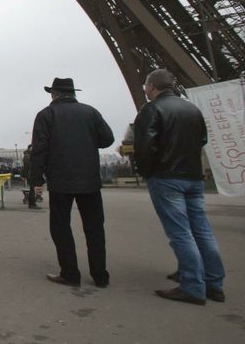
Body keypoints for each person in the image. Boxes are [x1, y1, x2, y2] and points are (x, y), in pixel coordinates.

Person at [134, 68, 226, 305]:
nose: (145, 90)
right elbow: (202, 140)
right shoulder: (192, 109)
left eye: (146, 86)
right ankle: (213, 283)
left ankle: (193, 286)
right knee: (202, 230)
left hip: (166, 177)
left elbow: (144, 146)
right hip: (194, 178)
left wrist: (147, 171)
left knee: (180, 233)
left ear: (152, 87)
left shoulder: (151, 109)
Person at [30, 77, 114, 288]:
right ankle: (100, 275)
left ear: (54, 94)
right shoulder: (90, 112)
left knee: (61, 227)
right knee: (95, 228)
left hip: (60, 181)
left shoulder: (46, 115)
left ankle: (70, 273)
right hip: (90, 180)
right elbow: (108, 139)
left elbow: (39, 151)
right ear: (73, 93)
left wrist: (36, 180)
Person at [20, 144, 40, 209]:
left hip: (31, 174)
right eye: (32, 148)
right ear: (29, 148)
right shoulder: (27, 156)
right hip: (29, 174)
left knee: (33, 189)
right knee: (32, 189)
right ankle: (32, 204)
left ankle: (32, 203)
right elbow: (28, 165)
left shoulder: (30, 155)